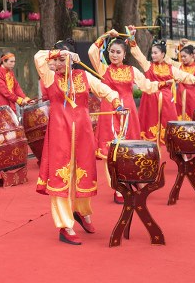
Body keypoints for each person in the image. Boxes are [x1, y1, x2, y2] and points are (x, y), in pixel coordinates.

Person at [34, 39, 123, 245]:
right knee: (61, 175)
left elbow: (105, 90)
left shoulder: (84, 76)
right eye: (57, 59)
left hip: (83, 133)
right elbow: (38, 56)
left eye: (63, 59)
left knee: (83, 173)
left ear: (73, 59)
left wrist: (117, 102)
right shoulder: (50, 76)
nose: (58, 63)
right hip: (59, 133)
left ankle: (82, 212)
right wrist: (59, 53)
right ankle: (65, 225)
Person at [88, 29, 168, 204]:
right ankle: (118, 188)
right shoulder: (103, 69)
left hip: (128, 113)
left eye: (118, 52)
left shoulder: (132, 70)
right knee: (112, 151)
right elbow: (92, 52)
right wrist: (106, 36)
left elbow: (146, 85)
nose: (114, 55)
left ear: (124, 55)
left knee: (130, 149)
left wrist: (163, 84)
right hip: (110, 113)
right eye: (112, 51)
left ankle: (133, 179)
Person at [127, 32, 195, 144]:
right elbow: (138, 55)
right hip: (150, 98)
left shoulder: (170, 68)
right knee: (150, 120)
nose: (153, 55)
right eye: (152, 53)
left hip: (166, 99)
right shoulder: (148, 65)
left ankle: (167, 138)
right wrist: (132, 40)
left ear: (163, 54)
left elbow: (183, 76)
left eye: (156, 53)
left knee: (167, 119)